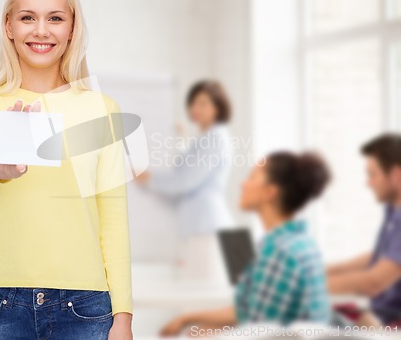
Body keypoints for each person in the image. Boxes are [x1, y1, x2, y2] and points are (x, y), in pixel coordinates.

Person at [0, 0, 132, 339]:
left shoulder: (102, 109)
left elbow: (113, 218)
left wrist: (124, 318)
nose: (41, 30)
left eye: (55, 18)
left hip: (86, 309)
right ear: (9, 26)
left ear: (71, 27)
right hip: (2, 307)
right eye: (27, 17)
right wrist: (0, 165)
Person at [160, 151, 332, 336]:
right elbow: (250, 312)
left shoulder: (278, 252)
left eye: (252, 177)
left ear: (270, 192)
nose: (243, 184)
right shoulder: (299, 242)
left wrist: (214, 334)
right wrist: (190, 319)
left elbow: (259, 332)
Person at [135, 80, 234, 283]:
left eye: (203, 103)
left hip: (208, 230)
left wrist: (149, 178)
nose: (195, 108)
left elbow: (186, 180)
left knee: (203, 300)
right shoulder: (206, 138)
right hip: (204, 229)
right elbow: (186, 170)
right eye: (193, 103)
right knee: (201, 298)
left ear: (218, 107)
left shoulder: (216, 137)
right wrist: (181, 139)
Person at [328, 133, 401, 327]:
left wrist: (307, 287)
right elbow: (381, 257)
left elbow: (374, 282)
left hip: (391, 324)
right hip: (379, 317)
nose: (368, 183)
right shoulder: (393, 211)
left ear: (395, 175)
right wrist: (324, 270)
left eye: (372, 174)